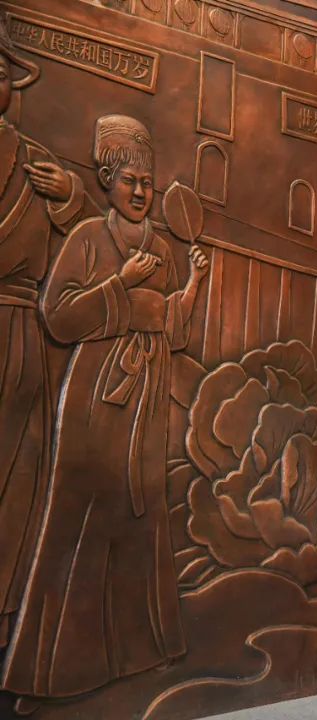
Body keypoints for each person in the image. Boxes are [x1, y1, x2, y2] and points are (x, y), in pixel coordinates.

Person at [2, 115, 208, 704]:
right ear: (105, 181)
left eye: (147, 182)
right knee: (82, 512)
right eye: (128, 181)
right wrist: (119, 283)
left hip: (146, 398)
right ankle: (52, 670)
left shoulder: (162, 247)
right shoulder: (90, 237)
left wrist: (193, 284)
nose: (140, 192)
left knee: (140, 515)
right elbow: (57, 316)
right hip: (97, 397)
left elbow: (174, 331)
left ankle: (138, 654)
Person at [0, 19, 88, 651]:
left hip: (20, 330)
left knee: (21, 468)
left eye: (4, 73)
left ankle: (5, 613)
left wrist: (69, 197)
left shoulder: (34, 159)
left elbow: (85, 243)